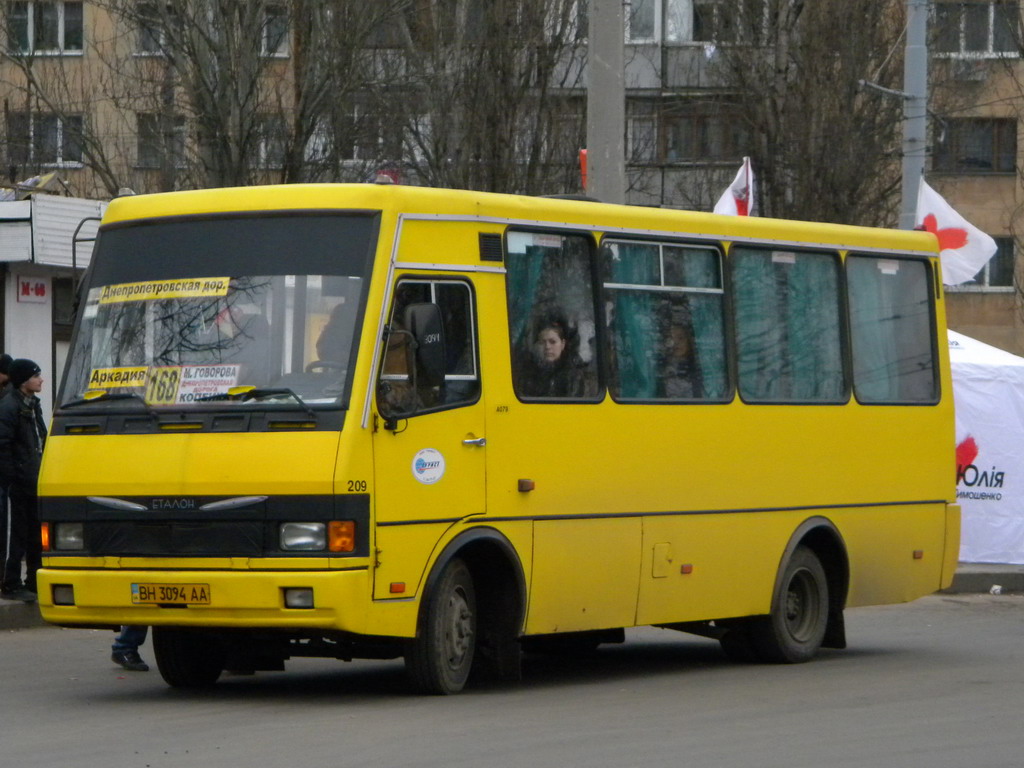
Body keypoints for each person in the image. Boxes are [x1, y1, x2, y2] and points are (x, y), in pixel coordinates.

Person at [0, 359, 46, 602]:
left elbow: (40, 439)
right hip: (18, 482)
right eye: (36, 375)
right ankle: (11, 583)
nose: (41, 380)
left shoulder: (32, 405)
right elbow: (3, 444)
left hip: (33, 480)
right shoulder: (9, 406)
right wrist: (11, 476)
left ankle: (35, 580)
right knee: (15, 534)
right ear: (23, 380)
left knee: (35, 533)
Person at [519, 316, 585, 398]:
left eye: (552, 342)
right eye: (542, 342)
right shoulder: (529, 372)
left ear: (563, 344)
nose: (547, 347)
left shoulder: (573, 374)